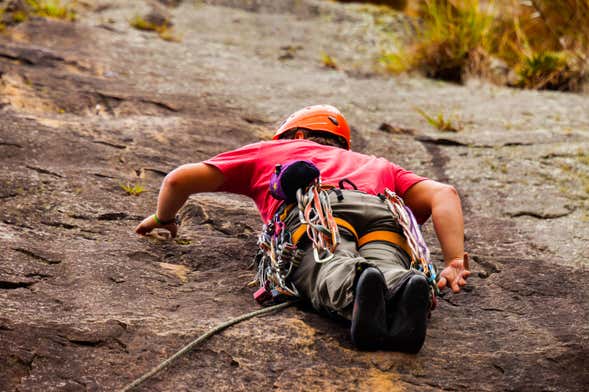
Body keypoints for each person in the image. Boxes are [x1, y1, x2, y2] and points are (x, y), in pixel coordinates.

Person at [135, 105, 470, 353]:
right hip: (384, 213)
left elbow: (178, 180)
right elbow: (445, 194)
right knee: (390, 261)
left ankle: (357, 285)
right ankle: (404, 286)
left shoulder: (274, 150)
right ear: (342, 145)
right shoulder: (377, 164)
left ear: (296, 136)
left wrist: (164, 218)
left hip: (318, 210)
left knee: (328, 260)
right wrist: (454, 259)